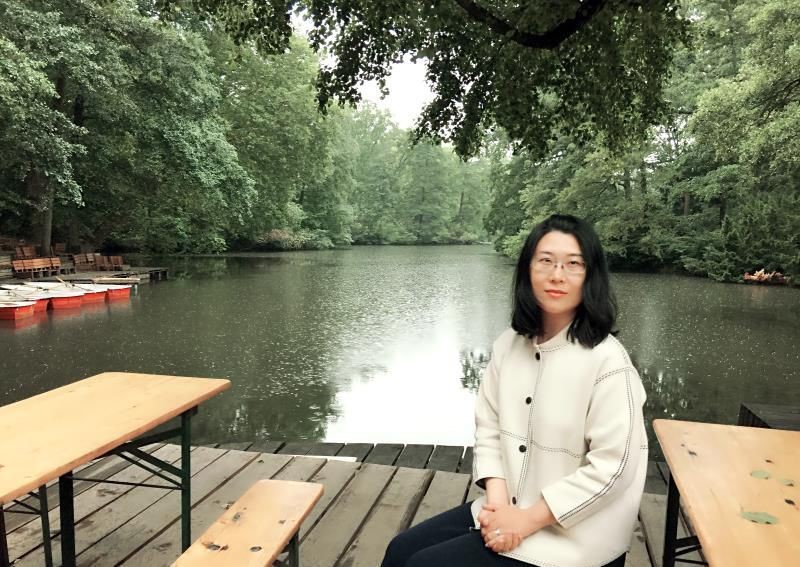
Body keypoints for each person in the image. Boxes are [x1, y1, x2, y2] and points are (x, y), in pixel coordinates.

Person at [382, 214, 648, 567]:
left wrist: (525, 521)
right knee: (400, 551)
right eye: (545, 261)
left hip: (576, 535)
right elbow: (489, 429)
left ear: (591, 276)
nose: (557, 275)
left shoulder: (608, 362)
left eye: (573, 264)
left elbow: (614, 468)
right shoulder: (508, 346)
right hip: (509, 507)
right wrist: (497, 507)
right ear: (527, 270)